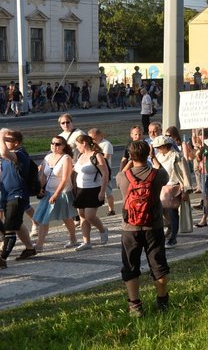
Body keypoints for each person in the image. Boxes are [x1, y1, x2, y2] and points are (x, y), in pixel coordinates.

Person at [118, 139, 171, 316]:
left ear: (130, 156)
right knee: (158, 264)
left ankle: (135, 305)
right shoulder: (158, 176)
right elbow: (165, 173)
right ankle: (162, 301)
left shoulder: (123, 177)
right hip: (153, 227)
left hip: (129, 228)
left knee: (130, 265)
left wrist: (127, 162)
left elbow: (120, 176)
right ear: (148, 153)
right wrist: (153, 158)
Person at [0, 129, 38, 268]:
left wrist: (0, 135)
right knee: (17, 223)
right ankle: (30, 249)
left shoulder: (20, 155)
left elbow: (3, 152)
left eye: (8, 140)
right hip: (8, 195)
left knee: (10, 228)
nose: (4, 142)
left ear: (16, 143)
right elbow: (1, 176)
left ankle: (2, 259)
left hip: (17, 195)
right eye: (5, 140)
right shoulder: (7, 159)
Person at [32, 136, 79, 251]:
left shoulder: (66, 158)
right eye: (52, 143)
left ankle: (73, 239)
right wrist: (41, 188)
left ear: (63, 146)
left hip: (62, 193)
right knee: (43, 218)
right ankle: (39, 244)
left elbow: (64, 179)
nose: (54, 146)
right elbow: (43, 175)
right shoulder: (47, 157)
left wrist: (56, 194)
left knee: (66, 218)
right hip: (48, 192)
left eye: (58, 144)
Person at [151, 135, 191, 248]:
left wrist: (185, 191)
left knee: (173, 213)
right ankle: (167, 230)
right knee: (160, 212)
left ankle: (173, 237)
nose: (157, 149)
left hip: (174, 187)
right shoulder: (158, 156)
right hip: (162, 188)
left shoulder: (177, 156)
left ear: (165, 146)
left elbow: (185, 174)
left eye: (159, 147)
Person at [72, 134, 110, 251]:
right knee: (82, 216)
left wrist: (102, 191)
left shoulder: (97, 155)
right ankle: (86, 242)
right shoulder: (80, 155)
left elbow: (105, 174)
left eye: (78, 145)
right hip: (80, 189)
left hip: (93, 189)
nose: (77, 147)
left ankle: (103, 230)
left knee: (90, 215)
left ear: (84, 143)